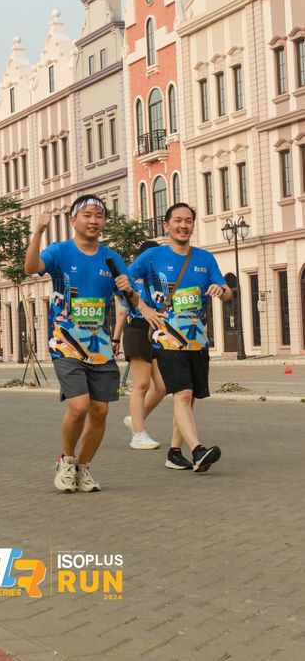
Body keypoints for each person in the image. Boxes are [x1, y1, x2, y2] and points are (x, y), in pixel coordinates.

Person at [24, 195, 132, 493]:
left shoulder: (112, 259)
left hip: (100, 346)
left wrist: (129, 290)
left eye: (99, 215)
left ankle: (83, 467)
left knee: (100, 411)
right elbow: (31, 267)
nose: (93, 221)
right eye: (87, 215)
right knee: (80, 405)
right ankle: (67, 459)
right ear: (73, 220)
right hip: (66, 342)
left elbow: (130, 302)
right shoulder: (60, 251)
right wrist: (38, 232)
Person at [127, 204, 231, 473]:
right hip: (166, 339)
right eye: (177, 221)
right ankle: (197, 450)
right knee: (182, 394)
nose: (183, 225)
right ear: (167, 225)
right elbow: (123, 283)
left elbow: (227, 291)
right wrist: (143, 308)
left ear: (192, 225)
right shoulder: (152, 256)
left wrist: (220, 289)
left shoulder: (205, 258)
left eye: (188, 221)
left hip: (197, 340)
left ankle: (174, 452)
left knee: (189, 397)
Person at [112, 240, 166, 450]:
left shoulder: (156, 281)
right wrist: (116, 339)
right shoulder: (133, 284)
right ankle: (138, 434)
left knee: (162, 387)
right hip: (137, 331)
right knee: (141, 385)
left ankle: (135, 419)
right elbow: (123, 312)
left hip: (154, 334)